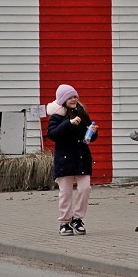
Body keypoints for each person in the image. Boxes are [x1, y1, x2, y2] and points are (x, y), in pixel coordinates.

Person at [46, 84, 98, 236]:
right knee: (66, 193)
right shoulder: (57, 116)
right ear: (63, 100)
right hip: (64, 160)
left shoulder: (82, 114)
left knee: (85, 188)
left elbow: (88, 138)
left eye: (75, 96)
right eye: (70, 97)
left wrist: (93, 132)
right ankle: (64, 222)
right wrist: (68, 123)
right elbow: (52, 134)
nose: (73, 99)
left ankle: (77, 219)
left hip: (82, 158)